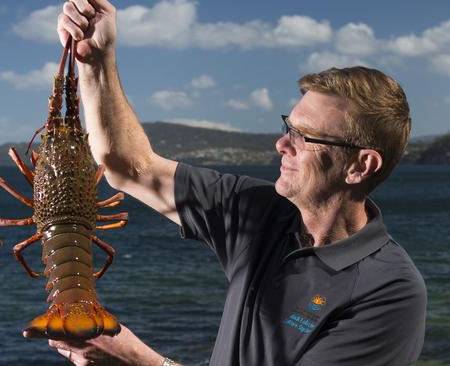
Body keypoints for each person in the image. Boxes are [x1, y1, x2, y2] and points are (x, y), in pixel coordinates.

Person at [36, 0, 427, 365]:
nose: (281, 144)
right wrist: (96, 59)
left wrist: (141, 360)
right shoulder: (258, 212)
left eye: (305, 136)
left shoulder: (390, 291)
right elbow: (129, 167)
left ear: (360, 167)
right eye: (288, 126)